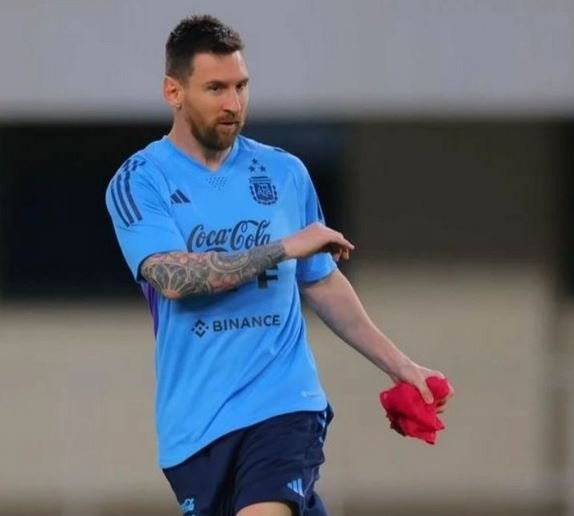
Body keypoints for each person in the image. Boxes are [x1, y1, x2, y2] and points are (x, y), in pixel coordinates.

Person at [104, 14, 451, 516]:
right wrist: (282, 248)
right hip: (195, 426)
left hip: (285, 403)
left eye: (241, 86)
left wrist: (402, 366)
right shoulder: (141, 180)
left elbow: (322, 282)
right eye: (216, 88)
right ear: (173, 92)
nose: (233, 103)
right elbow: (174, 278)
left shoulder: (284, 173)